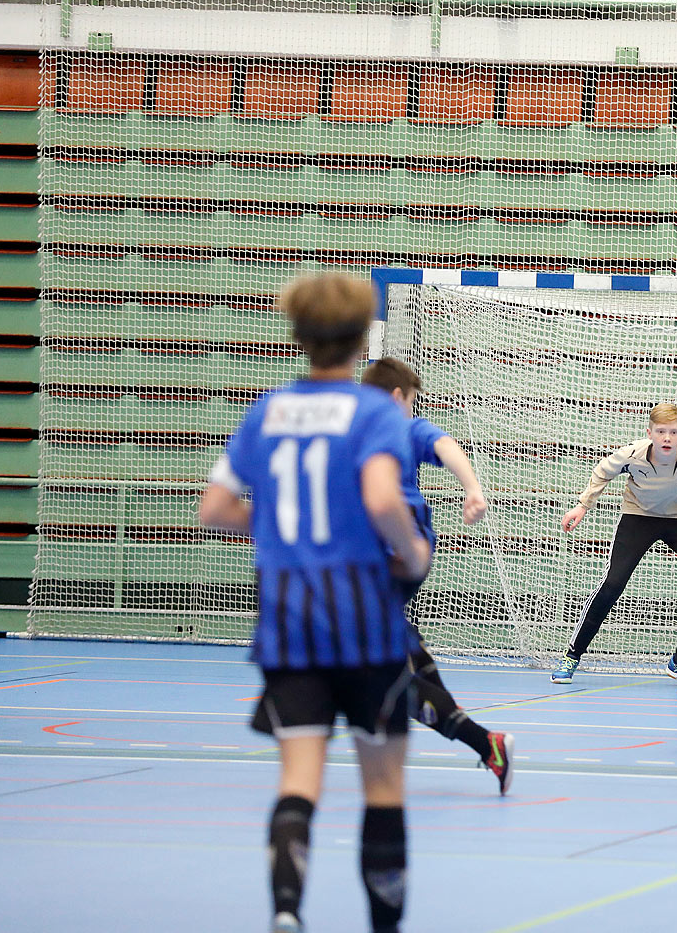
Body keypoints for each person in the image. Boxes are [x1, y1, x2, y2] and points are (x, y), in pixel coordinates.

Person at [199, 272, 432, 933]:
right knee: (383, 787)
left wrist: (279, 524)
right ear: (362, 338)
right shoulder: (376, 412)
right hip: (363, 618)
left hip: (287, 617)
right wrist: (412, 553)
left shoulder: (267, 410)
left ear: (298, 336)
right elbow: (384, 500)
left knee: (298, 779)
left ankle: (285, 910)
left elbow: (214, 509)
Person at [360, 356, 514, 795]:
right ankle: (474, 734)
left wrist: (473, 488)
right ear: (398, 396)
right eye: (413, 401)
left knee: (375, 679)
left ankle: (483, 740)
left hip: (391, 548)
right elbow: (449, 447)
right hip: (404, 550)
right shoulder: (396, 427)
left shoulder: (379, 428)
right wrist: (472, 488)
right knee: (393, 646)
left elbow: (445, 446)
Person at [552, 403, 677, 686]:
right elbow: (602, 472)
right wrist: (582, 506)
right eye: (661, 432)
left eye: (673, 432)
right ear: (650, 433)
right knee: (612, 584)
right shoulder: (632, 454)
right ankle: (572, 656)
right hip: (638, 518)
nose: (667, 438)